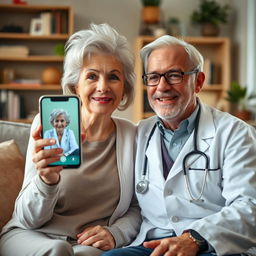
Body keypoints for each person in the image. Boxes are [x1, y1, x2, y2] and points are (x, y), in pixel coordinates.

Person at [102, 36, 256, 256]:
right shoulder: (140, 133)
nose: (162, 87)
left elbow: (250, 206)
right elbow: (134, 207)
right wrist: (114, 233)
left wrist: (194, 238)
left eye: (174, 75)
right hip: (152, 246)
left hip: (213, 247)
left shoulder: (235, 133)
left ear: (199, 82)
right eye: (153, 77)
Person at [0, 23, 141, 256]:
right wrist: (47, 180)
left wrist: (116, 233)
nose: (103, 87)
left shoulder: (132, 136)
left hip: (86, 244)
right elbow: (28, 218)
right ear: (76, 85)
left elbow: (138, 207)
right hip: (30, 235)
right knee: (58, 250)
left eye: (113, 77)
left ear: (125, 88)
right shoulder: (48, 126)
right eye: (92, 76)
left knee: (87, 255)